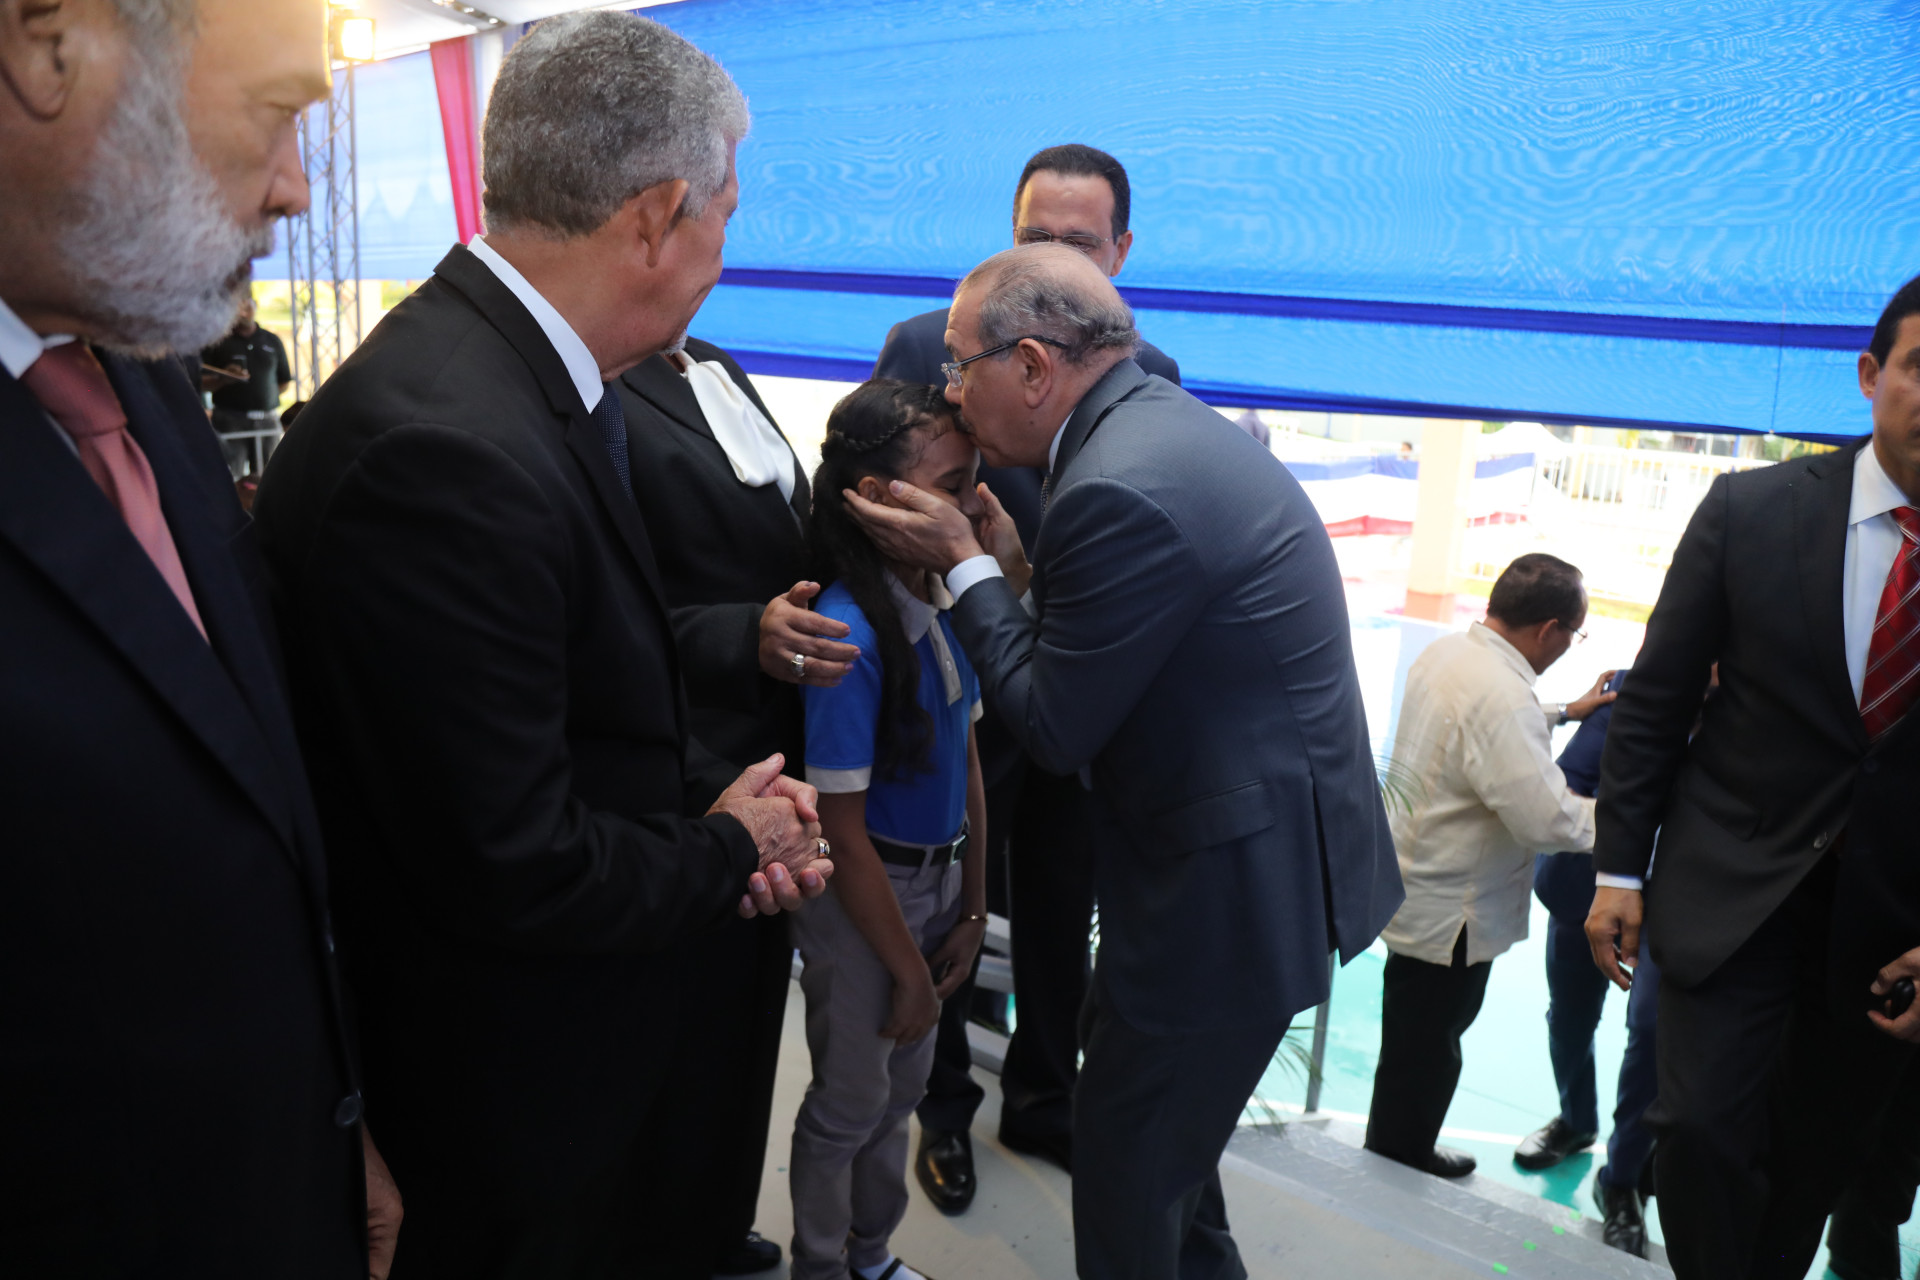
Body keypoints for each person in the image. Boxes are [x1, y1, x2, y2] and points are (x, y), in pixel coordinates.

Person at [252, 14, 833, 1277]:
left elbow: (556, 702)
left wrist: (700, 793)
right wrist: (732, 844)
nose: (726, 253)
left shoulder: (517, 377)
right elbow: (509, 859)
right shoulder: (450, 447)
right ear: (658, 216)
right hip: (493, 1094)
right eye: (725, 215)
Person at [848, 243, 1402, 1280]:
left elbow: (1057, 727)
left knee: (1128, 1182)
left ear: (1030, 366)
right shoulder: (1146, 428)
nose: (951, 394)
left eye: (959, 367)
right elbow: (1121, 639)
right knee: (1172, 1170)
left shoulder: (1116, 482)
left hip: (1222, 895)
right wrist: (1014, 569)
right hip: (1244, 859)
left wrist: (964, 568)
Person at [0, 0, 399, 1275]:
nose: (296, 189)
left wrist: (329, 1125)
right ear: (45, 45)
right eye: (277, 113)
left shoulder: (143, 368)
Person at [1587, 273, 1920, 1280]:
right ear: (1870, 374)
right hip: (1733, 890)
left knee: (1814, 1165)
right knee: (1694, 1130)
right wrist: (1619, 870)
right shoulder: (1751, 511)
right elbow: (1654, 702)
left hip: (1888, 930)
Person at [872, 140, 1181, 1215]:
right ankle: (942, 1109)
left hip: (1085, 690)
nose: (1053, 257)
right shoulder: (928, 344)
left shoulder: (1150, 377)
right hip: (957, 685)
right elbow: (879, 502)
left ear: (1122, 252)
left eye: (1078, 242)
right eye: (1033, 236)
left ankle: (1046, 1100)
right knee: (946, 900)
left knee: (1061, 909)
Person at [615, 334, 862, 1277]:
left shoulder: (715, 363)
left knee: (749, 1016)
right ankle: (667, 1233)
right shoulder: (600, 384)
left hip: (769, 737)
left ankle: (714, 1215)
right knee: (687, 1022)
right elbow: (599, 613)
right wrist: (737, 632)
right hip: (687, 753)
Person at [790, 380, 991, 1280]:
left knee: (900, 1095)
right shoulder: (848, 637)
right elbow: (838, 832)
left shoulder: (940, 607)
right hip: (868, 899)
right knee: (848, 1105)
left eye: (974, 481)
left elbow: (970, 767)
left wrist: (973, 908)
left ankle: (870, 1256)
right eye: (951, 485)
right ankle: (821, 1266)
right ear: (874, 497)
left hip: (936, 890)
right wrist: (907, 969)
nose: (972, 506)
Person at [1363, 555, 1615, 1179]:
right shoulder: (1502, 697)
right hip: (1455, 914)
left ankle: (1393, 1145)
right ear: (1549, 629)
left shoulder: (1447, 655)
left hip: (1415, 884)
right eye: (1574, 634)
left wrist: (1563, 712)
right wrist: (1636, 823)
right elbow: (1546, 820)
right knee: (1429, 1048)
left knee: (1409, 1042)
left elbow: (1479, 731)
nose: (1569, 645)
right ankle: (1398, 1158)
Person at [1515, 667, 1661, 1258]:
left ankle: (1622, 1177)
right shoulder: (1628, 693)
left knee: (1651, 1034)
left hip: (1681, 908)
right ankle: (1576, 1120)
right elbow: (1567, 786)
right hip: (1586, 892)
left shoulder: (1753, 707)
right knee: (1570, 1020)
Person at [201, 290, 292, 473]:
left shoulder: (272, 340)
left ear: (255, 305)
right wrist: (224, 379)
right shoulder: (217, 342)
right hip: (230, 419)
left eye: (247, 304)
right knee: (231, 472)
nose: (243, 310)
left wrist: (265, 396)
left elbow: (284, 380)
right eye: (238, 305)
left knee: (269, 473)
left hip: (266, 419)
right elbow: (200, 382)